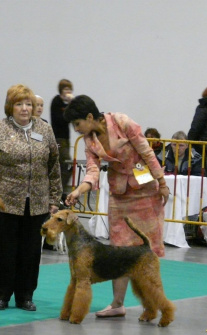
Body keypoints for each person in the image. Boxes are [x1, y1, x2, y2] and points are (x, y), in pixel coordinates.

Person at [63, 95, 169, 318]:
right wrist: (78, 190)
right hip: (120, 193)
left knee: (145, 251)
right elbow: (92, 170)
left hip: (144, 189)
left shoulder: (123, 122)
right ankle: (117, 304)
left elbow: (147, 152)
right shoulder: (89, 141)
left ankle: (152, 306)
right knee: (118, 247)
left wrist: (162, 182)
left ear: (90, 117)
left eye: (78, 123)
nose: (77, 129)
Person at [0, 84, 62, 312]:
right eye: (19, 104)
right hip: (4, 203)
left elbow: (54, 167)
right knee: (3, 250)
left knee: (30, 252)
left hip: (38, 202)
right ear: (10, 107)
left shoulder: (45, 130)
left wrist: (54, 197)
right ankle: (1, 295)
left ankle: (25, 296)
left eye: (28, 104)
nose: (24, 108)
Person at [50, 79, 74, 192]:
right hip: (58, 138)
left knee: (64, 165)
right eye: (65, 89)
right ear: (61, 91)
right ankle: (59, 191)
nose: (68, 91)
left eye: (69, 89)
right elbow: (61, 119)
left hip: (66, 139)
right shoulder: (56, 101)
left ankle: (59, 190)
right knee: (66, 165)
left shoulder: (67, 104)